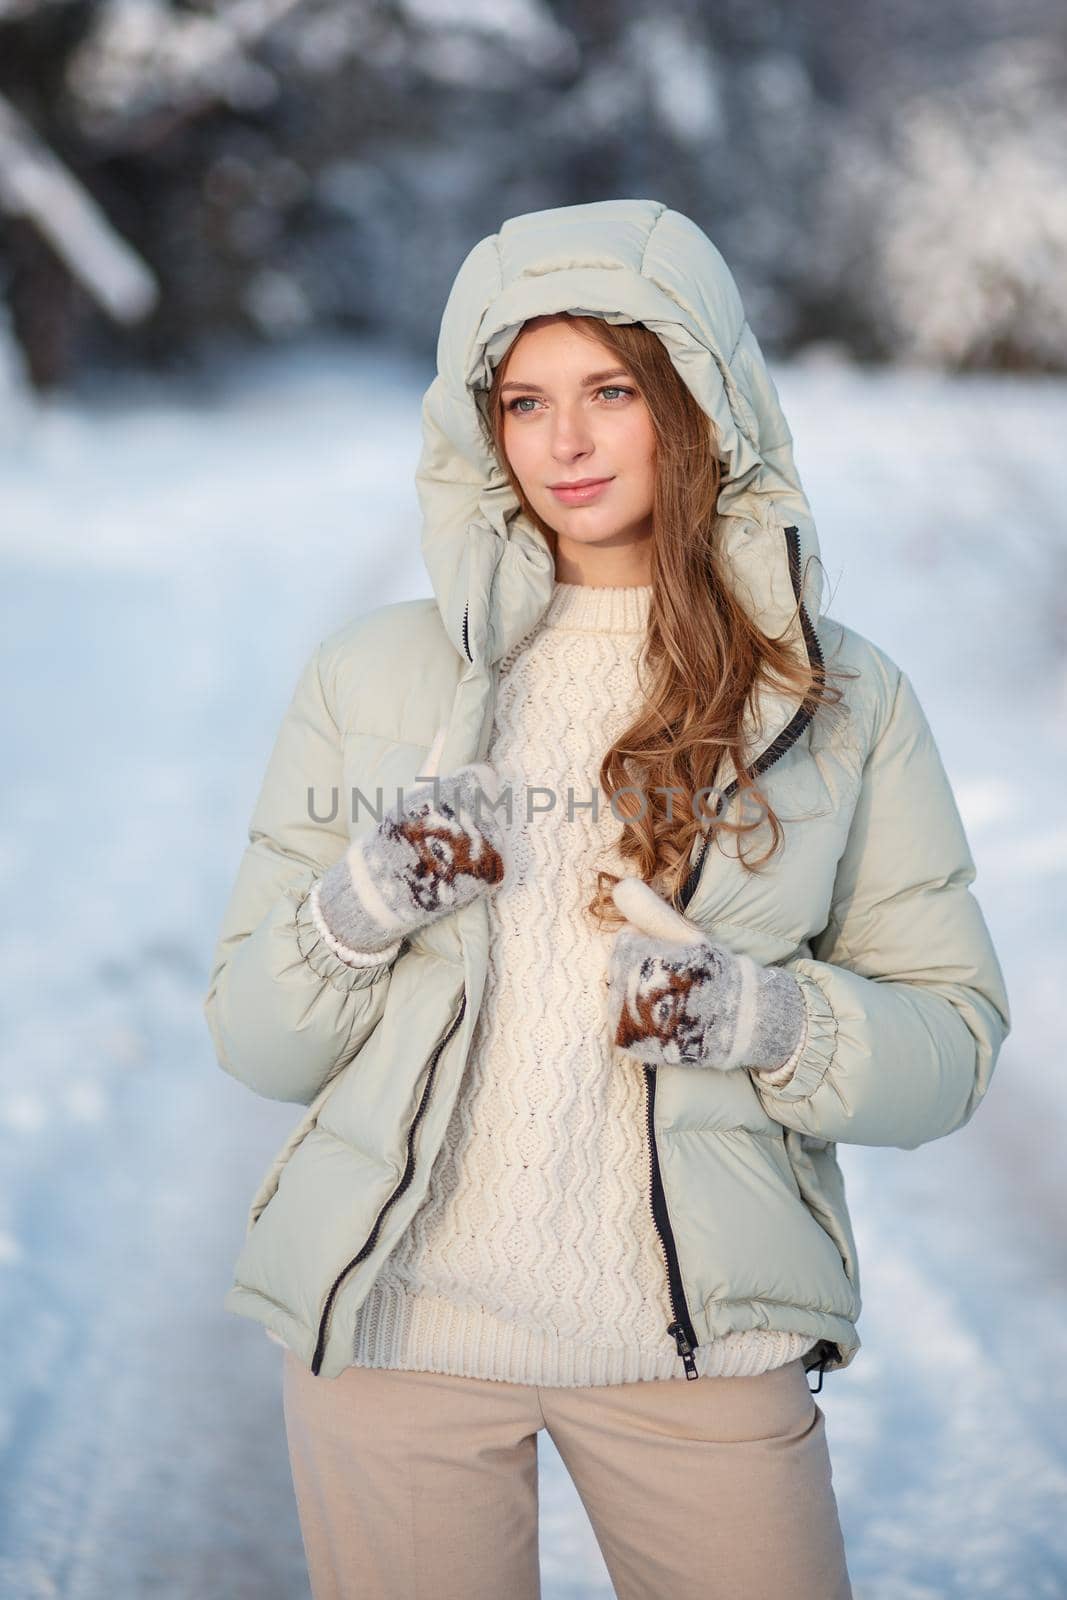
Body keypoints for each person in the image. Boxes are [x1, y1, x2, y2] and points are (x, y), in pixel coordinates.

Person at [202, 198, 1011, 1600]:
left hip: (701, 1355)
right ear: (482, 425)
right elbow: (257, 1044)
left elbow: (951, 1047)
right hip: (399, 1347)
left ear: (695, 398)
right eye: (523, 400)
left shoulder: (835, 695)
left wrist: (767, 1021)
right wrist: (358, 905)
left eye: (611, 390)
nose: (563, 443)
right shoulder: (374, 676)